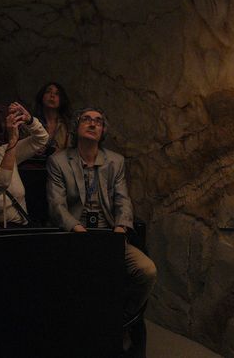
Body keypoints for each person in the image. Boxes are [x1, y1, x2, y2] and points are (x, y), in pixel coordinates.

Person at [46, 107, 157, 322]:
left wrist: (120, 230)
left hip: (109, 235)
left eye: (98, 121)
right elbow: (56, 205)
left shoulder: (116, 161)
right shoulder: (58, 161)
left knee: (147, 271)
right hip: (74, 235)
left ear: (103, 131)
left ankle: (123, 317)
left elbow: (123, 199)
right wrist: (78, 230)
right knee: (80, 278)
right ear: (76, 127)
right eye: (86, 119)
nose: (93, 123)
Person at [32, 82, 72, 156]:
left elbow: (71, 152)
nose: (52, 96)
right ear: (42, 96)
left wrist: (59, 152)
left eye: (57, 94)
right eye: (48, 92)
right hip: (33, 163)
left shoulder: (67, 125)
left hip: (58, 164)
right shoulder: (32, 122)